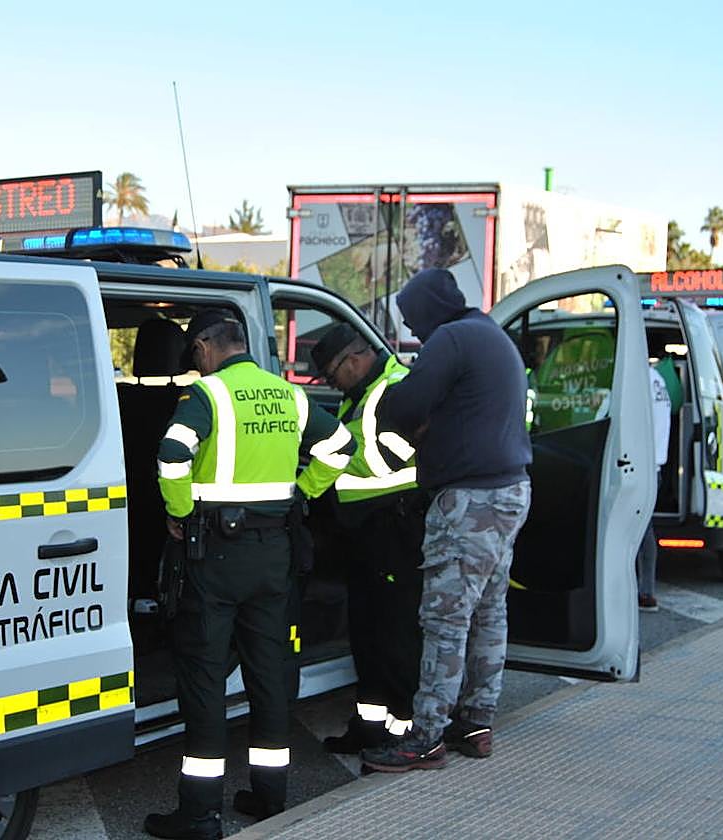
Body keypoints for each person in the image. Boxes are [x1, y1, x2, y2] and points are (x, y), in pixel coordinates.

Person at [145, 309, 355, 839]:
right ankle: (269, 797)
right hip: (274, 555)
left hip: (214, 558)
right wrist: (302, 493)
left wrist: (178, 512)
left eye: (194, 354)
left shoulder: (207, 395)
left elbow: (172, 454)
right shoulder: (288, 395)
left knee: (205, 679)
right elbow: (341, 447)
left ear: (204, 348)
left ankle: (199, 815)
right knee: (269, 676)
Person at [362, 267, 532, 773]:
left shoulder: (451, 339)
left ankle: (426, 737)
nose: (412, 330)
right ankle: (476, 723)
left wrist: (400, 410)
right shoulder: (491, 336)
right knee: (488, 612)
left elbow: (403, 404)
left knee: (445, 620)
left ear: (429, 310)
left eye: (412, 318)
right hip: (509, 491)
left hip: (469, 502)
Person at [309, 324, 426, 752]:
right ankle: (370, 726)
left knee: (396, 633)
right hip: (366, 532)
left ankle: (404, 730)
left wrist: (324, 455)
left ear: (355, 359)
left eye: (332, 375)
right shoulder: (362, 394)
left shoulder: (396, 390)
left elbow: (385, 459)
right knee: (367, 633)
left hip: (394, 529)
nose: (332, 384)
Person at [638, 360, 672, 611]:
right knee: (643, 529)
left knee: (637, 530)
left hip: (639, 466)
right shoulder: (657, 379)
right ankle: (645, 591)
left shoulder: (637, 380)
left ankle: (644, 593)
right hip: (654, 466)